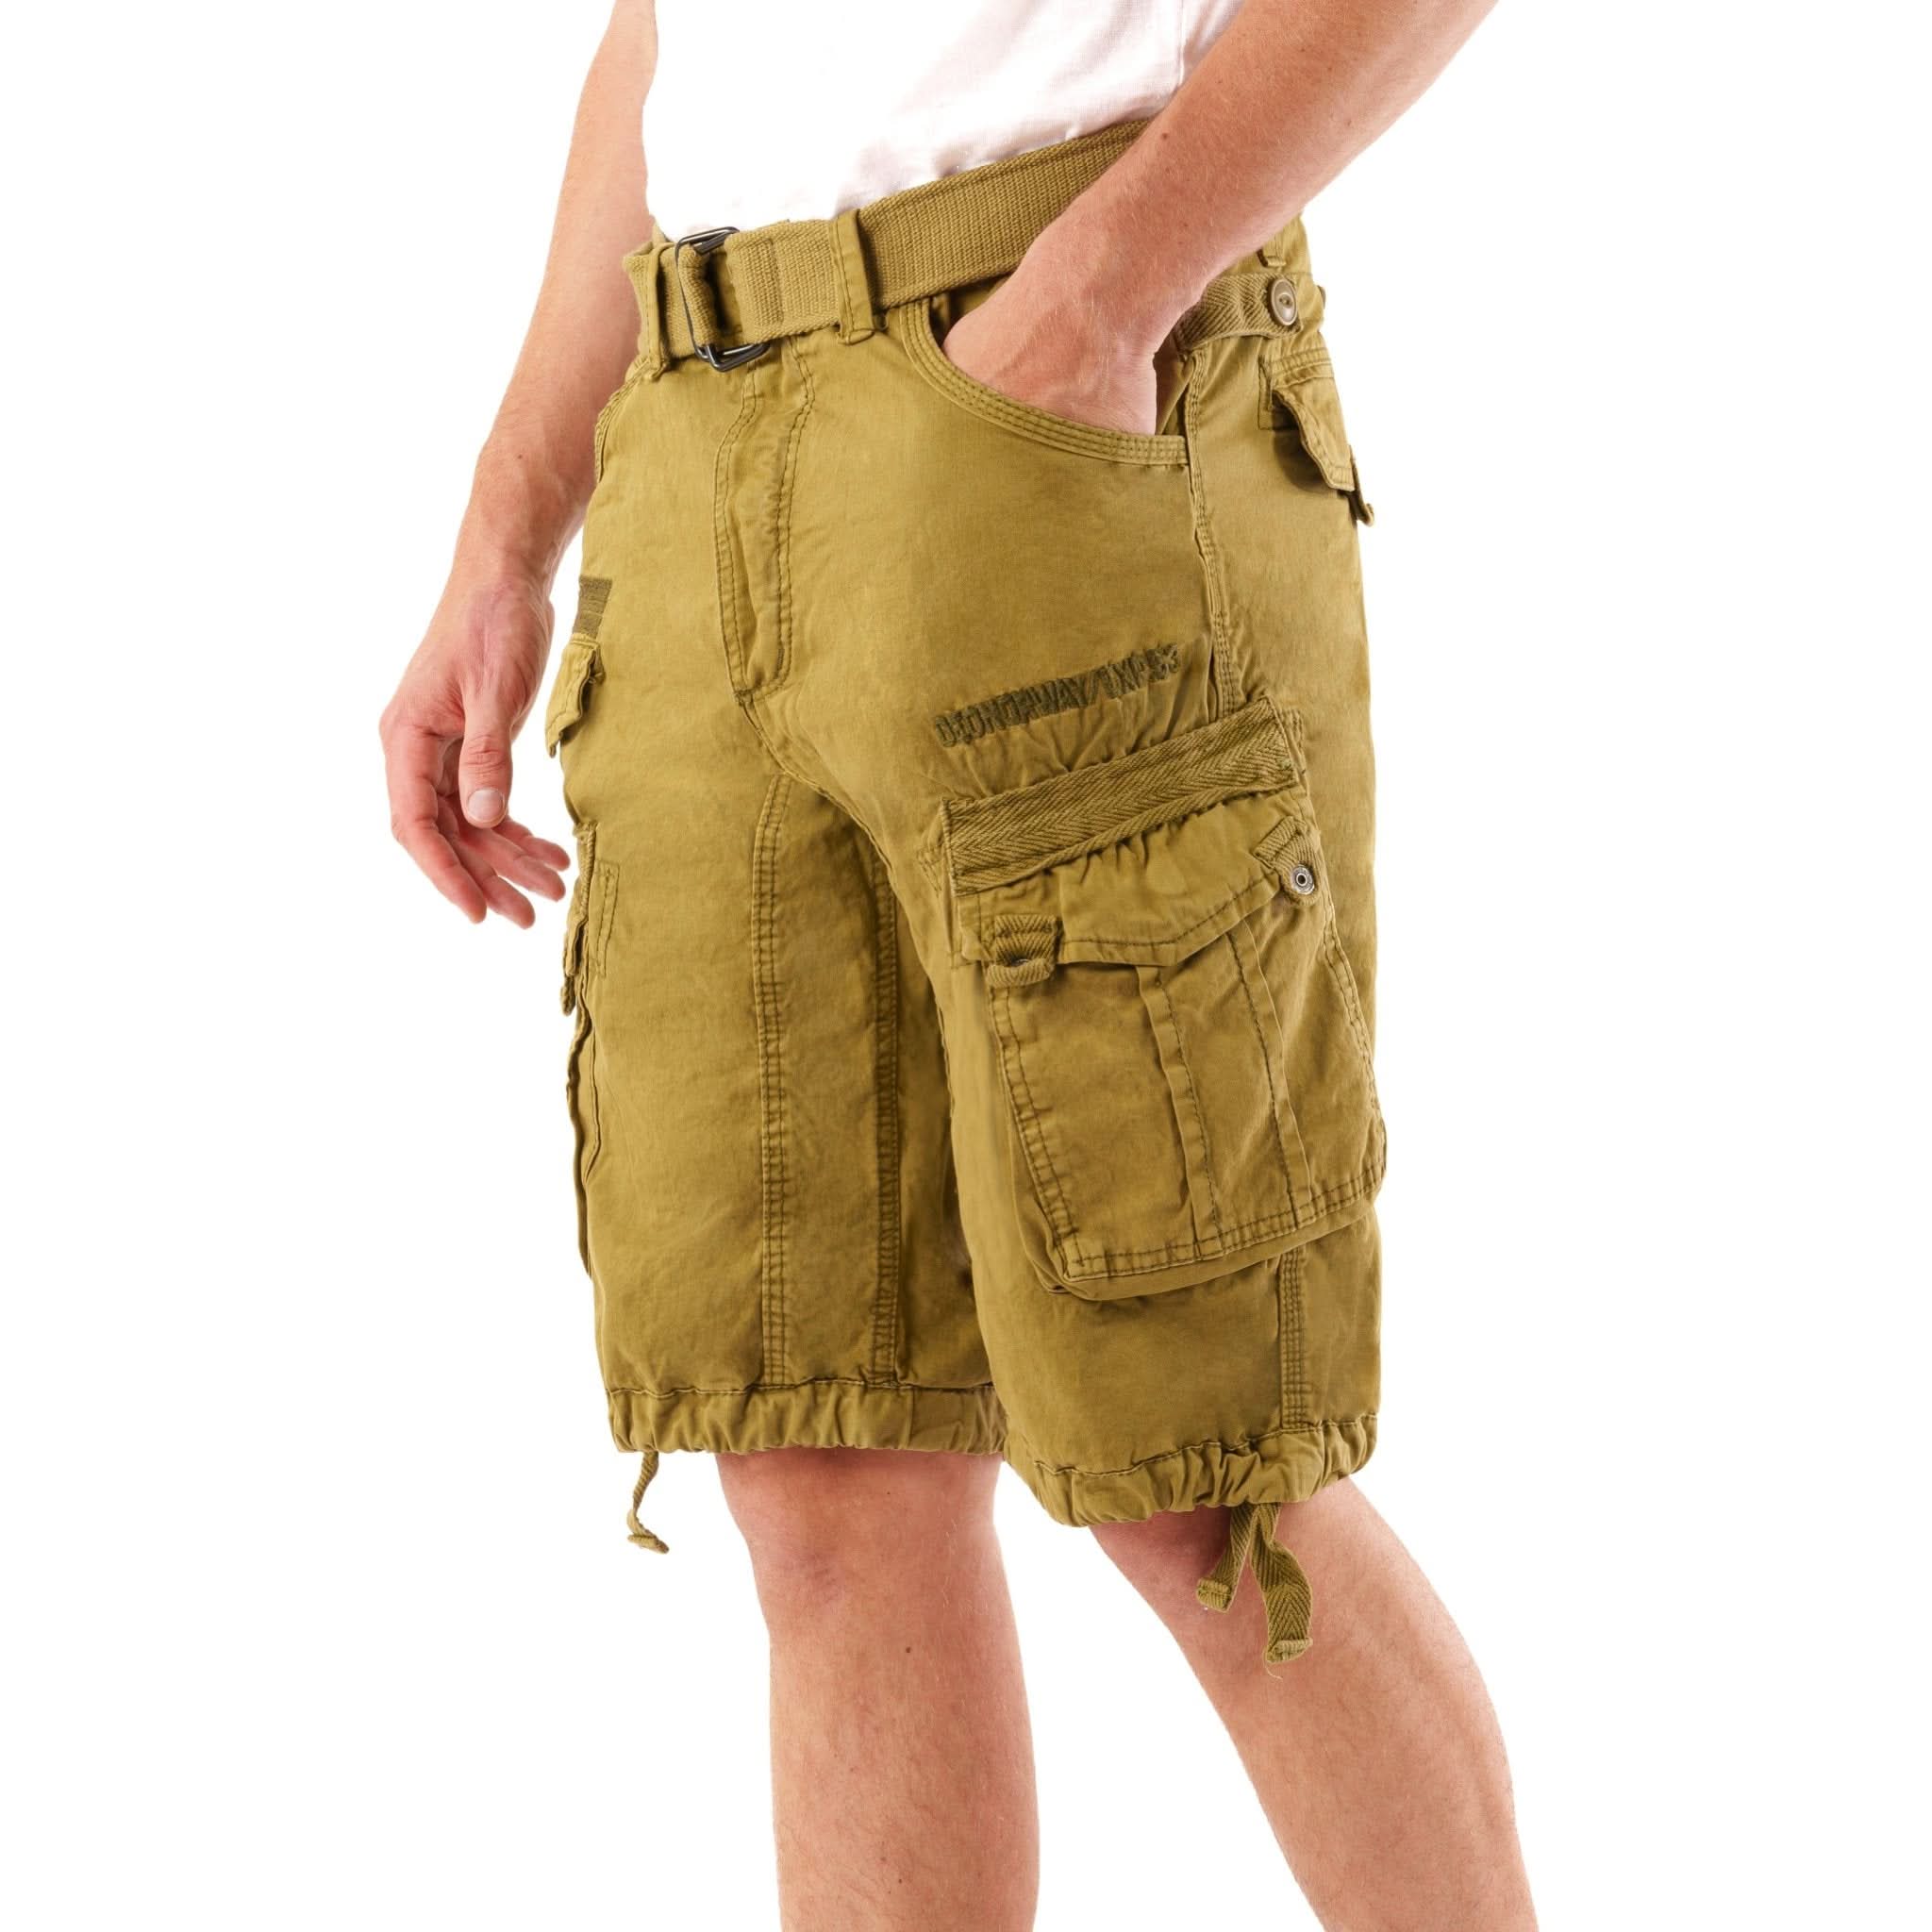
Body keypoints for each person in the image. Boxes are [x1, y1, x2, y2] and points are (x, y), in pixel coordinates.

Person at [379, 3, 1535, 1924]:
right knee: (817, 1455)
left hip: (1059, 386)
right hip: (694, 429)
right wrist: (506, 527)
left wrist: (1101, 291)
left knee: (1202, 1454)